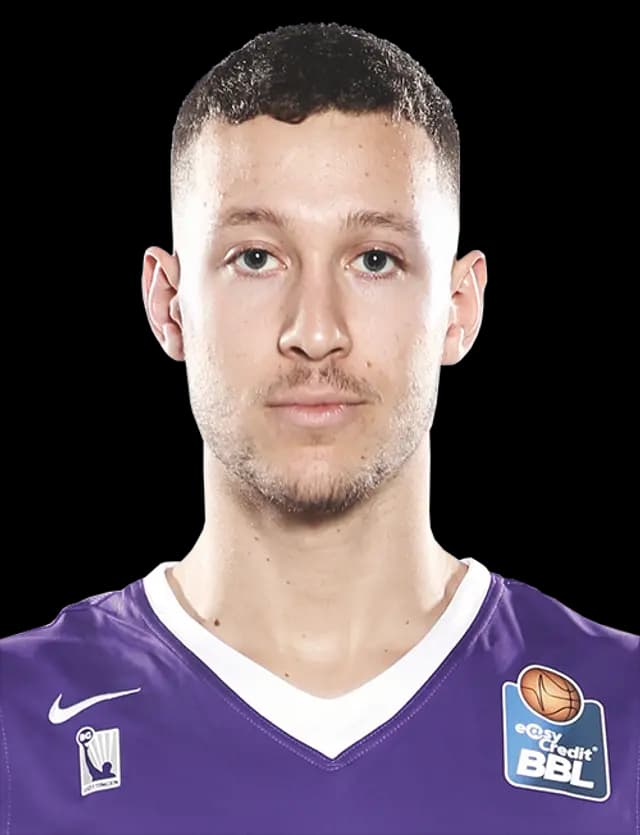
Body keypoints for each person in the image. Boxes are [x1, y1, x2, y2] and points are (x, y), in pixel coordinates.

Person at [0, 21, 637, 835]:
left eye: (374, 259)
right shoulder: (19, 720)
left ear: (458, 308)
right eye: (255, 257)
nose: (314, 330)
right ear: (169, 304)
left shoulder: (623, 708)